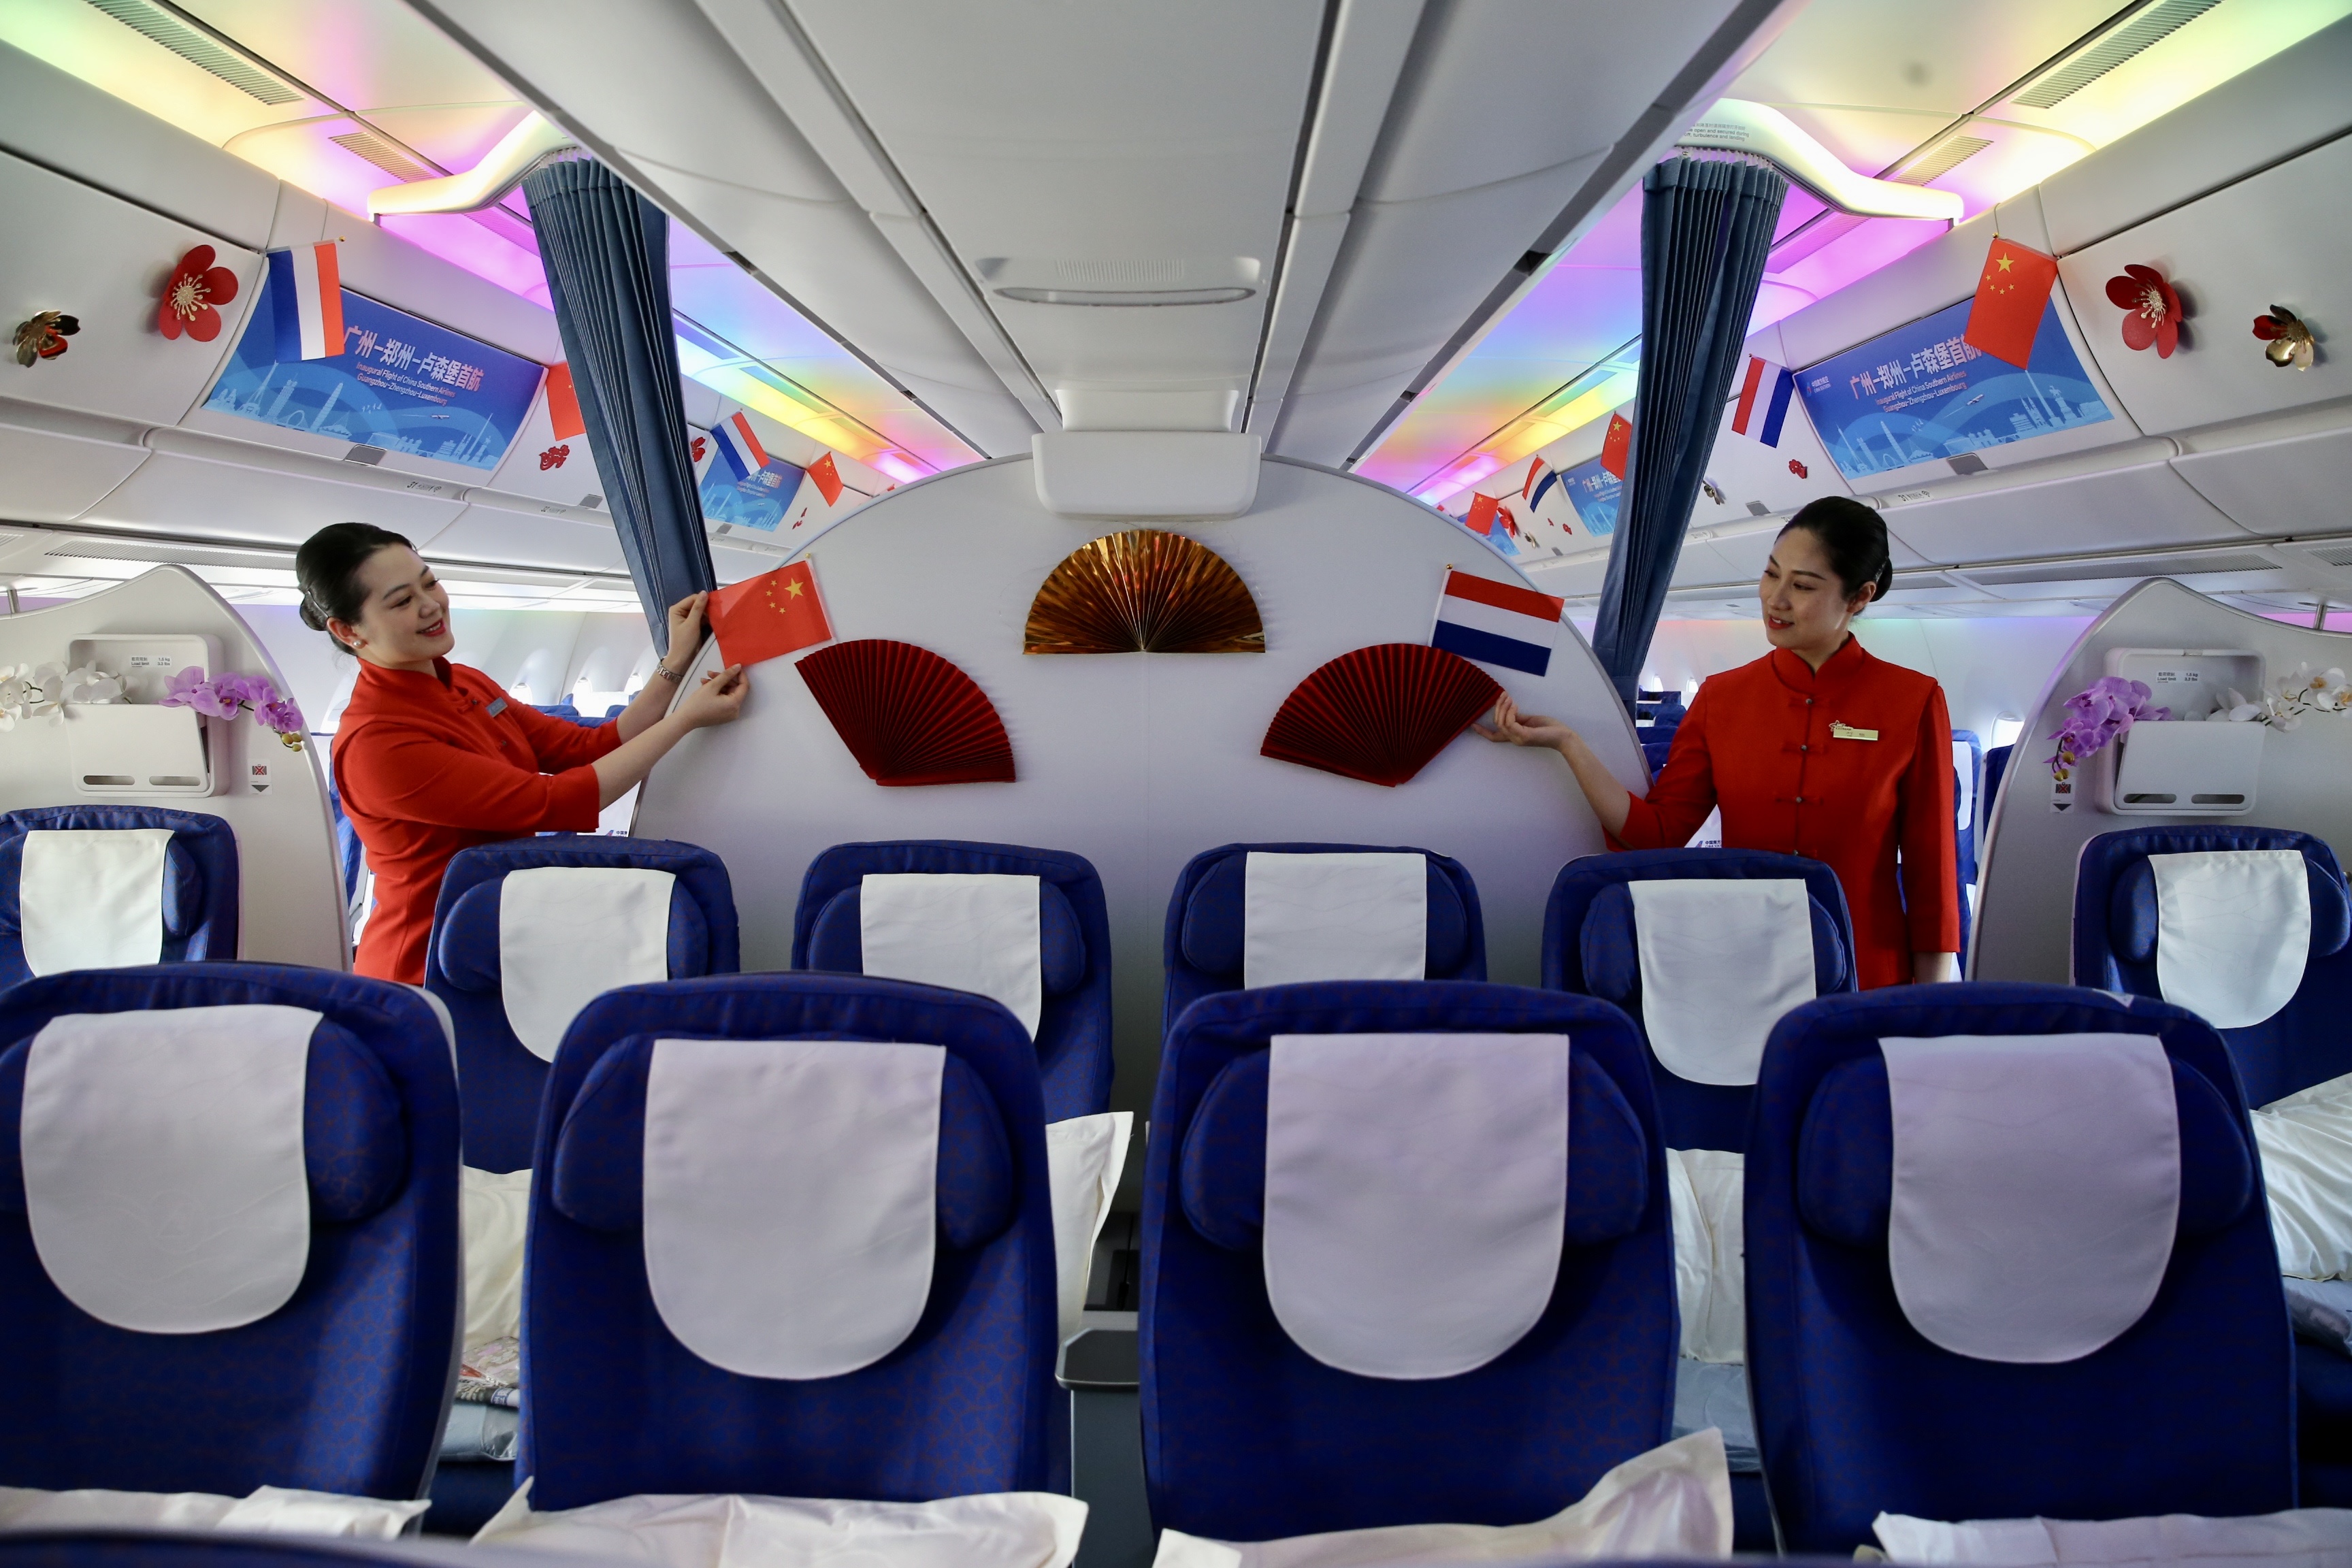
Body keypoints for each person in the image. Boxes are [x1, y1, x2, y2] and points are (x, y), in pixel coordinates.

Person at [1481, 496, 1959, 987]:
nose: (1775, 599)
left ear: (1859, 597)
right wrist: (1568, 744)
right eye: (1771, 574)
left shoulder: (1912, 700)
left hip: (1868, 972)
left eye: (1802, 586)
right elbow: (1659, 833)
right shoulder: (1721, 698)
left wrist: (1933, 1009)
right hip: (1745, 966)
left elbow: (1933, 877)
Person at [298, 522, 748, 983]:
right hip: (425, 964)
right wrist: (685, 720)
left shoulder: (466, 681)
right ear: (348, 630)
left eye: (429, 583)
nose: (430, 605)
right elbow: (554, 801)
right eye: (401, 601)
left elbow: (587, 747)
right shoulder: (377, 743)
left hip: (503, 932)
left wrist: (676, 660)